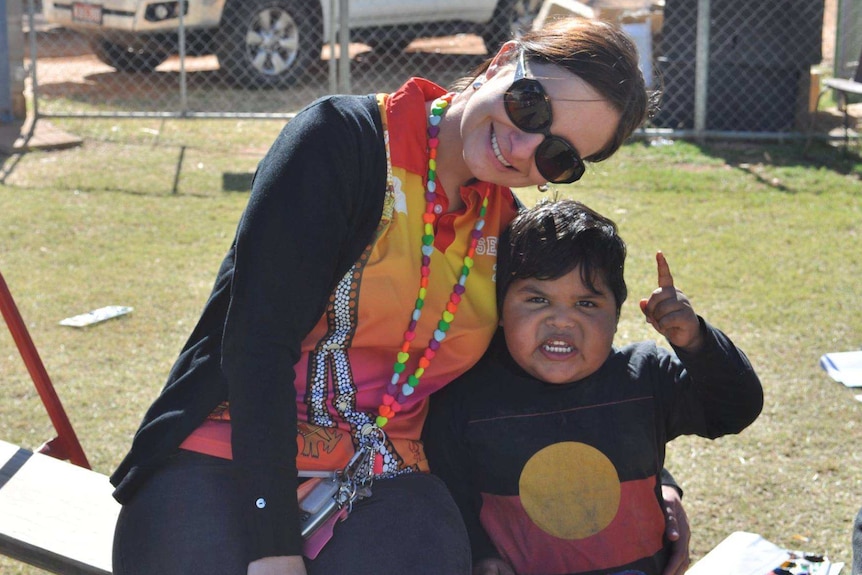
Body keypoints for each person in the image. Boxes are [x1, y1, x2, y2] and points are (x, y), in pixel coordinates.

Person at [109, 17, 686, 575]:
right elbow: (256, 344)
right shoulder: (343, 141)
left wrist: (647, 474)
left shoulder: (505, 226)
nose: (523, 144)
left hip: (389, 479)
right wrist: (273, 546)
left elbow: (537, 371)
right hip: (227, 451)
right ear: (503, 60)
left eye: (557, 155)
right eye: (529, 105)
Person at [423, 199, 764, 575]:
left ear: (617, 315)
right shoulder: (466, 399)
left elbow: (735, 408)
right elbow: (448, 497)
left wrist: (696, 340)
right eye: (537, 299)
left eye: (586, 302)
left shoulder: (644, 376)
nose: (562, 321)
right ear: (499, 309)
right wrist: (482, 555)